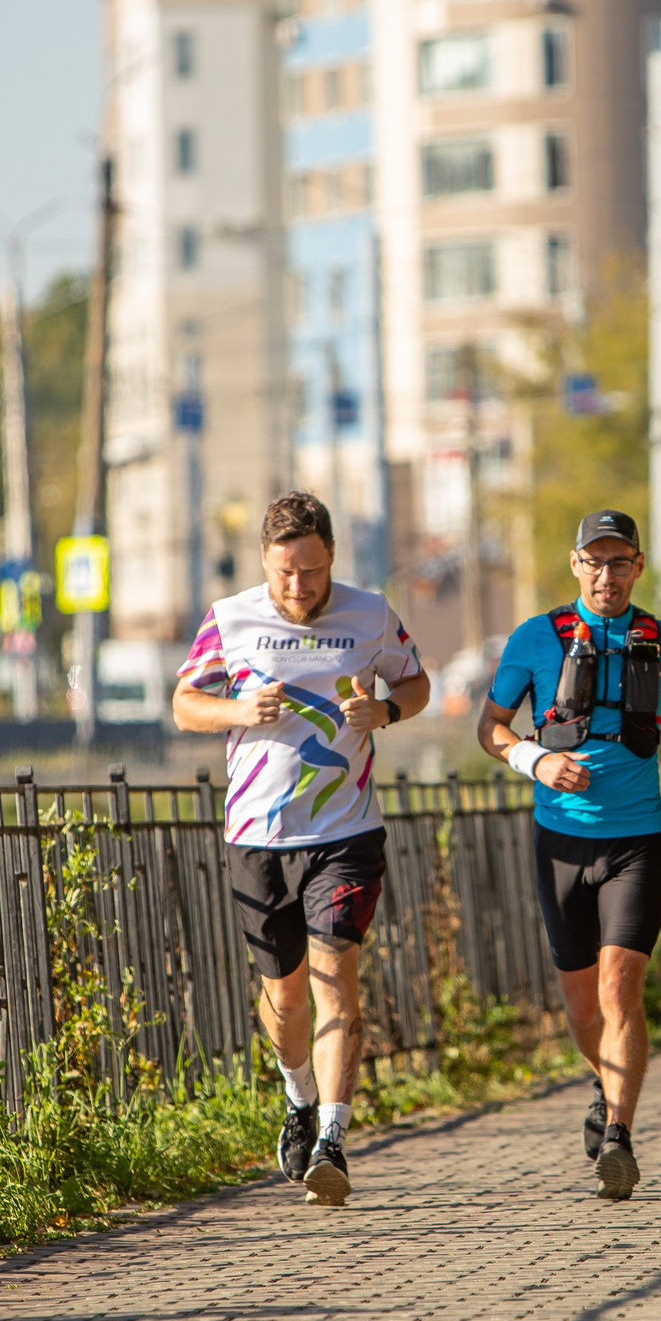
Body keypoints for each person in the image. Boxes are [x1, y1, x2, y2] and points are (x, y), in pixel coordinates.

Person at [173, 493, 430, 1207]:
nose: (299, 587)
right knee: (284, 1000)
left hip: (345, 833)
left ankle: (334, 1139)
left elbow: (417, 680)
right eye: (286, 573)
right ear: (265, 561)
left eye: (312, 572)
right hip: (257, 837)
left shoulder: (371, 613)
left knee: (334, 975)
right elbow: (184, 702)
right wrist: (236, 710)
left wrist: (386, 710)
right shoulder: (229, 619)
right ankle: (297, 1096)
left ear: (332, 559)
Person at [481, 508, 661, 1200]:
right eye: (595, 560)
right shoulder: (534, 638)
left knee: (621, 991)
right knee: (584, 1010)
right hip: (559, 839)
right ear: (575, 563)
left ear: (638, 566)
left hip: (637, 839)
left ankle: (619, 1135)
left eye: (620, 561)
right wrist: (534, 760)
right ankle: (602, 1079)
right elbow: (490, 727)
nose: (607, 574)